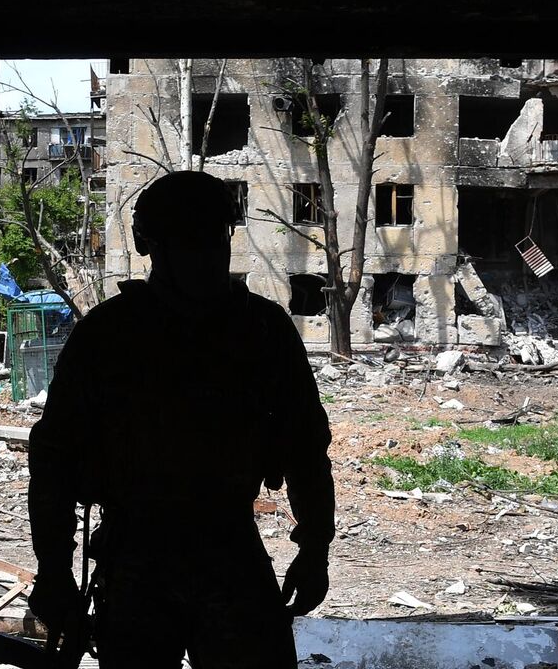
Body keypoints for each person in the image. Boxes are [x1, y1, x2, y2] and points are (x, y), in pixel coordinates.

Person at [27, 170, 335, 667]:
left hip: (205, 553)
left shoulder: (258, 330)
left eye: (211, 238)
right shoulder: (112, 335)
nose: (205, 254)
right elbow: (55, 460)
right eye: (192, 239)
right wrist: (54, 573)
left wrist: (316, 544)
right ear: (155, 246)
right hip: (151, 558)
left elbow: (305, 445)